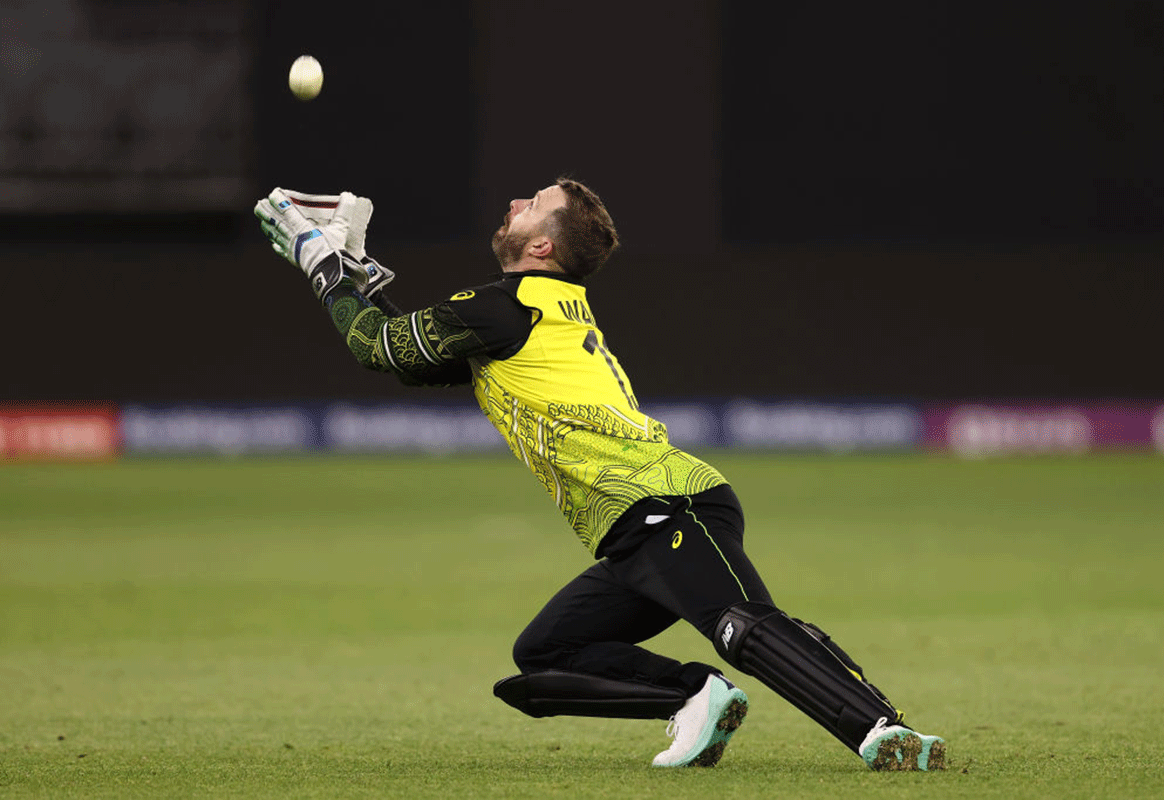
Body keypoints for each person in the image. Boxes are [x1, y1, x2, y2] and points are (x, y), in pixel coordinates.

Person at [252, 179, 946, 771]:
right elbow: (399, 354)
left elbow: (378, 347)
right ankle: (693, 697)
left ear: (543, 247)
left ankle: (882, 729)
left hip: (668, 505)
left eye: (533, 204)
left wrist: (321, 261)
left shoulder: (505, 308)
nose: (517, 202)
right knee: (550, 652)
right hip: (631, 531)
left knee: (741, 624)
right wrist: (354, 269)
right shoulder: (523, 315)